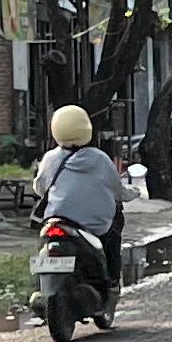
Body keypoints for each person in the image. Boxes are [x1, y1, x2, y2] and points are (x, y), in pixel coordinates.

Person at [35, 104, 127, 300]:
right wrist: (132, 193)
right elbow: (118, 190)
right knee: (113, 233)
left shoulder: (50, 158)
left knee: (42, 245)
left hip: (55, 220)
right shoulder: (100, 159)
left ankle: (38, 287)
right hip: (93, 226)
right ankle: (111, 280)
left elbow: (40, 187)